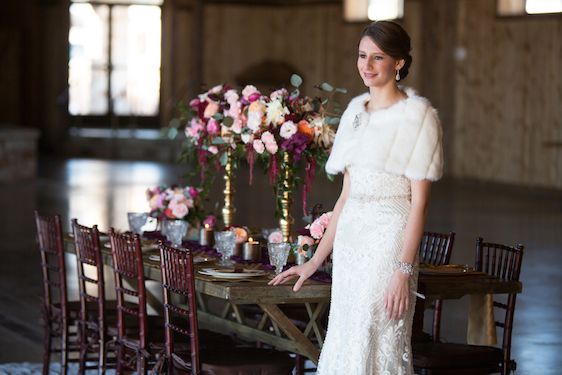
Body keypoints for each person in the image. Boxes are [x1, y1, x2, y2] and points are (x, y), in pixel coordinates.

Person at [269, 20, 443, 374]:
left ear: (399, 62)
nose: (367, 65)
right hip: (351, 242)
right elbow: (346, 197)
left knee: (377, 338)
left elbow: (420, 203)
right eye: (362, 56)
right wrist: (315, 261)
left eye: (378, 57)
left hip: (389, 240)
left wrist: (402, 272)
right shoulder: (353, 115)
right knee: (346, 339)